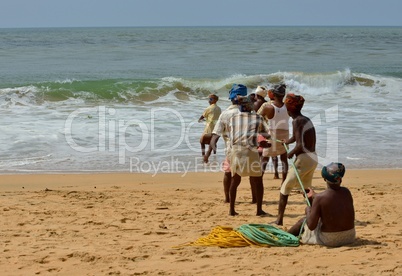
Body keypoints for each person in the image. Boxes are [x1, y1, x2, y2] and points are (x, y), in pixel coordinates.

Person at [273, 93, 318, 225]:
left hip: (303, 159)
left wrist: (290, 153)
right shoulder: (304, 119)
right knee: (306, 189)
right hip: (312, 157)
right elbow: (297, 137)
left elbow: (300, 145)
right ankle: (316, 216)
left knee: (285, 188)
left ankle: (279, 220)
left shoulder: (296, 121)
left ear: (290, 109)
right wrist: (287, 141)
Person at [287, 163, 356, 247]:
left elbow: (311, 226)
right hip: (349, 237)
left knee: (303, 221)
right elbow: (331, 200)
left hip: (330, 239)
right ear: (340, 179)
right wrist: (314, 195)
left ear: (324, 179)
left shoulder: (320, 198)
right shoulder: (346, 192)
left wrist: (308, 209)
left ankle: (285, 236)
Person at [226, 95, 271, 216]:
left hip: (236, 150)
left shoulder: (233, 118)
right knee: (257, 180)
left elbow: (233, 134)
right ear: (250, 106)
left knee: (235, 180)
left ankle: (231, 210)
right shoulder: (257, 117)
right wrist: (265, 142)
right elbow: (267, 133)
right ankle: (259, 210)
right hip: (250, 150)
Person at [204, 84, 249, 202]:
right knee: (254, 177)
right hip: (248, 148)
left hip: (231, 149)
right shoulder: (250, 113)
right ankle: (255, 200)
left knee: (228, 173)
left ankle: (227, 198)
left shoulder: (225, 114)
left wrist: (208, 152)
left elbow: (216, 134)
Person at [258, 84, 290, 181]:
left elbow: (258, 118)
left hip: (272, 134)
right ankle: (283, 182)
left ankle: (259, 179)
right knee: (284, 159)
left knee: (265, 158)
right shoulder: (288, 106)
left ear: (273, 94)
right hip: (285, 134)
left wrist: (261, 131)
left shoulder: (269, 107)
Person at [198, 94, 221, 158]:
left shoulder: (209, 108)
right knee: (213, 142)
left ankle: (203, 155)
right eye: (209, 99)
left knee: (202, 141)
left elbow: (203, 116)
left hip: (209, 128)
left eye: (210, 99)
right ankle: (214, 155)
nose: (209, 101)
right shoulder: (219, 109)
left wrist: (199, 119)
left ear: (215, 100)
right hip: (216, 128)